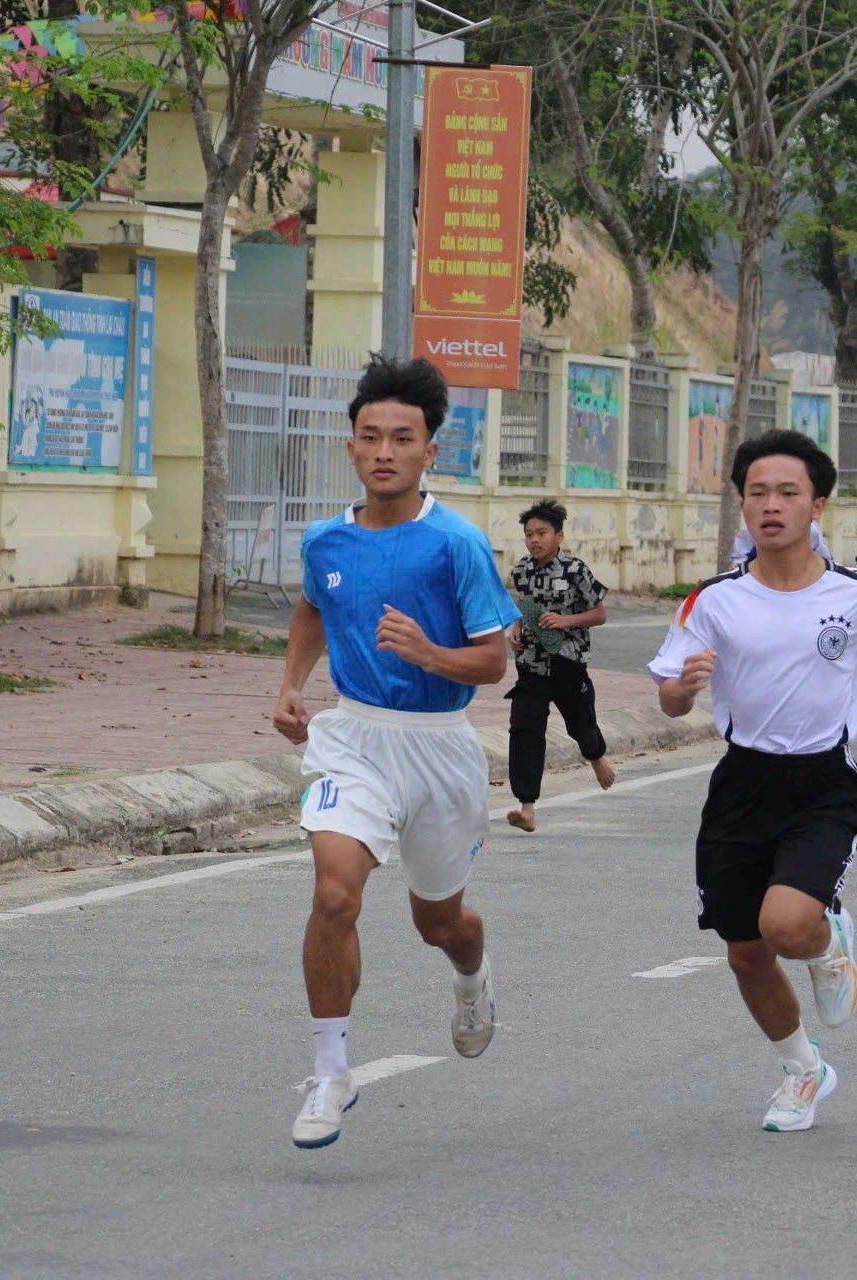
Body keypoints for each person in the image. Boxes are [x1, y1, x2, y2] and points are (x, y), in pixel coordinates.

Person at [273, 355, 520, 1149]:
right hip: (354, 737)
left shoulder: (456, 544)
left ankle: (472, 977)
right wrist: (291, 685)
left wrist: (427, 653)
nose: (384, 450)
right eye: (370, 437)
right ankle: (330, 1071)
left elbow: (494, 662)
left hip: (439, 748)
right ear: (351, 448)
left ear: (428, 452)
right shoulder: (325, 539)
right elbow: (315, 607)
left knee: (440, 924)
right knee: (335, 894)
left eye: (402, 438)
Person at [650, 429, 857, 1133]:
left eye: (788, 493)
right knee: (745, 953)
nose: (771, 505)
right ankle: (804, 1070)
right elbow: (672, 698)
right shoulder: (713, 600)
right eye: (758, 493)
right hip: (742, 782)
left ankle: (827, 942)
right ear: (744, 506)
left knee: (786, 925)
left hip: (823, 782)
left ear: (817, 506)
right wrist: (683, 690)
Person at [504, 500, 615, 833]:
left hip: (568, 661)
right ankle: (527, 807)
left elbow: (599, 614)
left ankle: (596, 757)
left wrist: (567, 621)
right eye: (529, 534)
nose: (534, 540)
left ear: (559, 536)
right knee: (524, 729)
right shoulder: (521, 571)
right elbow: (525, 612)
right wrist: (517, 630)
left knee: (580, 723)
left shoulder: (575, 570)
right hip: (531, 666)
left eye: (542, 533)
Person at [732, 516, 832, 568]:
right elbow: (739, 561)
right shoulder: (752, 529)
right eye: (759, 494)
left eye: (788, 494)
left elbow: (825, 560)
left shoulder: (810, 530)